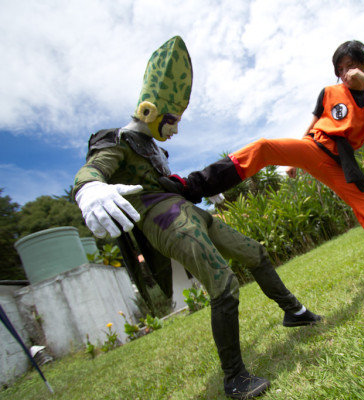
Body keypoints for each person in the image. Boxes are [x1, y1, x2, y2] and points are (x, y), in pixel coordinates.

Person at [72, 36, 321, 400]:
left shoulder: (156, 150)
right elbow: (93, 169)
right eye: (172, 120)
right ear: (149, 111)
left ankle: (294, 311)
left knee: (254, 252)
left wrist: (201, 191)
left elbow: (172, 184)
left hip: (188, 211)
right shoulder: (119, 142)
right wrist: (89, 188)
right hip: (163, 220)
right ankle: (235, 378)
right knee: (223, 282)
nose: (175, 129)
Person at [161, 40, 364, 281]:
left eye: (350, 65)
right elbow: (314, 124)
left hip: (341, 163)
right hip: (315, 146)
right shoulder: (329, 92)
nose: (345, 73)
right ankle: (192, 186)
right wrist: (294, 159)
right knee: (264, 147)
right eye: (340, 69)